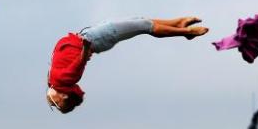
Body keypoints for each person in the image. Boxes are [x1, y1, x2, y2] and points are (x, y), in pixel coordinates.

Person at [47, 17, 208, 113]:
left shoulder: (54, 82)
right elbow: (78, 63)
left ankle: (179, 23)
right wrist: (86, 48)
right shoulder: (66, 79)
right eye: (56, 103)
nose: (51, 101)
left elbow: (65, 64)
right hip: (97, 38)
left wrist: (83, 50)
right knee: (145, 26)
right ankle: (187, 32)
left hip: (89, 34)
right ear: (63, 95)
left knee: (141, 21)